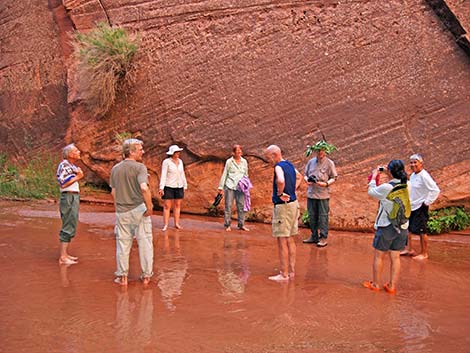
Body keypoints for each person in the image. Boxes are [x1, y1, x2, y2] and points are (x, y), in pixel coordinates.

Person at [110, 139, 154, 286]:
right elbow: (144, 188)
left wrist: (118, 208)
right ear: (132, 152)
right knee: (145, 242)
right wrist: (150, 206)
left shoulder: (115, 168)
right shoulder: (140, 168)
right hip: (139, 209)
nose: (143, 151)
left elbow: (114, 192)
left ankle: (123, 277)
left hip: (122, 211)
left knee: (122, 244)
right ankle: (146, 276)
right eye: (140, 149)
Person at [363, 160, 409, 294]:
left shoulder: (386, 188)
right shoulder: (408, 185)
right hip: (403, 225)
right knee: (395, 257)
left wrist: (374, 175)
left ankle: (376, 284)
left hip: (386, 225)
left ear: (389, 171)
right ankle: (391, 286)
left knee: (379, 255)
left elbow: (371, 192)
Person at [264, 145, 302, 281]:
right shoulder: (290, 165)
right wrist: (292, 190)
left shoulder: (278, 167)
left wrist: (280, 193)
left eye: (268, 158)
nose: (268, 161)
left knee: (282, 240)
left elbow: (280, 180)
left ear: (274, 155)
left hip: (283, 207)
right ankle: (291, 272)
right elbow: (300, 177)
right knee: (290, 238)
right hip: (293, 204)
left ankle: (283, 274)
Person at [401, 154, 440, 260]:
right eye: (411, 162)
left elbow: (435, 190)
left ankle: (424, 253)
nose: (413, 164)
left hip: (420, 206)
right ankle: (409, 249)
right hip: (412, 205)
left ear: (421, 164)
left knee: (422, 230)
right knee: (407, 228)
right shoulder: (413, 175)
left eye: (415, 162)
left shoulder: (424, 175)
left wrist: (427, 202)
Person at [302, 140, 338, 247]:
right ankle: (313, 235)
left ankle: (323, 237)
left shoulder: (329, 163)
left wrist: (326, 184)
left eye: (322, 151)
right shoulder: (311, 162)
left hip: (323, 195)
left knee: (323, 216)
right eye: (318, 151)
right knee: (312, 215)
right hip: (311, 193)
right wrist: (307, 180)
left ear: (326, 151)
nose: (320, 153)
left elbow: (334, 177)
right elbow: (305, 174)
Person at [56, 144, 84, 265]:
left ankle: (65, 254)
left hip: (72, 196)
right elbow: (62, 183)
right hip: (68, 196)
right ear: (70, 154)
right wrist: (78, 177)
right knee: (68, 222)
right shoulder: (64, 165)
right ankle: (63, 257)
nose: (79, 152)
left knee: (71, 221)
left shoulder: (71, 165)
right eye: (76, 150)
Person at [217, 144, 249, 231]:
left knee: (241, 206)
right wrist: (221, 187)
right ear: (233, 153)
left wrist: (247, 185)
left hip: (241, 187)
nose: (239, 153)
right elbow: (225, 174)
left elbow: (246, 174)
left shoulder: (244, 162)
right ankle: (227, 225)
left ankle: (241, 224)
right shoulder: (229, 162)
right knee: (228, 206)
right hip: (230, 186)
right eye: (237, 151)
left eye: (240, 151)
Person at [159, 145, 188, 231]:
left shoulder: (180, 162)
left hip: (179, 185)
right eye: (176, 152)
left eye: (178, 152)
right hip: (168, 186)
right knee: (167, 206)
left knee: (177, 205)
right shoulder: (166, 162)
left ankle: (176, 223)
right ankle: (166, 225)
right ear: (172, 153)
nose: (178, 153)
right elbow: (163, 174)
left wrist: (184, 184)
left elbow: (182, 173)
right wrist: (161, 187)